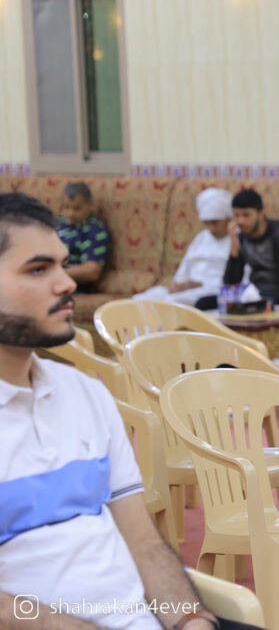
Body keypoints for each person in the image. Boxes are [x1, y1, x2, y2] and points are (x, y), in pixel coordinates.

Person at [0, 193, 237, 630]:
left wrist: (189, 619)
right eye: (38, 269)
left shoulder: (85, 394)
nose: (66, 283)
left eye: (62, 264)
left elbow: (142, 540)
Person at [134, 188, 234, 308]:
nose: (210, 228)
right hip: (187, 289)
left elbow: (237, 283)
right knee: (141, 299)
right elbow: (184, 269)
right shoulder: (201, 238)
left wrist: (198, 284)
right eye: (206, 223)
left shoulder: (237, 240)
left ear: (229, 218)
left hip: (211, 292)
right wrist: (177, 284)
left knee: (172, 303)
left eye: (215, 223)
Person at [223, 188, 279, 306]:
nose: (240, 221)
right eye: (237, 215)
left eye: (246, 215)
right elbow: (231, 284)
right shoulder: (243, 238)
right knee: (204, 302)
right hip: (257, 292)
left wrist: (247, 293)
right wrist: (234, 248)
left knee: (246, 297)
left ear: (261, 214)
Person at [57, 182, 111, 292]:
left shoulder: (94, 231)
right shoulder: (57, 223)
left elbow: (92, 271)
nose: (70, 213)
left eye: (76, 208)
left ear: (90, 204)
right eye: (67, 207)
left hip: (70, 289)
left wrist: (52, 272)